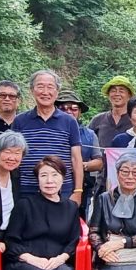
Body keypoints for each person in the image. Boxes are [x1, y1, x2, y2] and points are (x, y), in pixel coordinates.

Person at [12, 69, 84, 205]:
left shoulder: (69, 121)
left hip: (63, 190)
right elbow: (14, 156)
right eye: (40, 86)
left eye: (50, 87)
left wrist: (78, 191)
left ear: (57, 92)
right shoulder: (20, 121)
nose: (45, 92)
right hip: (27, 189)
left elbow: (76, 158)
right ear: (32, 90)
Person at [56, 90, 102, 218]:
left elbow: (99, 162)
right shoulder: (49, 130)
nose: (69, 111)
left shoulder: (89, 134)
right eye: (63, 108)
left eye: (74, 108)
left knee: (78, 224)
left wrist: (80, 165)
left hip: (81, 187)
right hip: (50, 185)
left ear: (80, 112)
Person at [89, 76, 136, 147]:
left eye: (121, 91)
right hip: (102, 158)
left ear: (129, 95)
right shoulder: (98, 119)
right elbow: (86, 141)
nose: (117, 94)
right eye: (113, 91)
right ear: (108, 95)